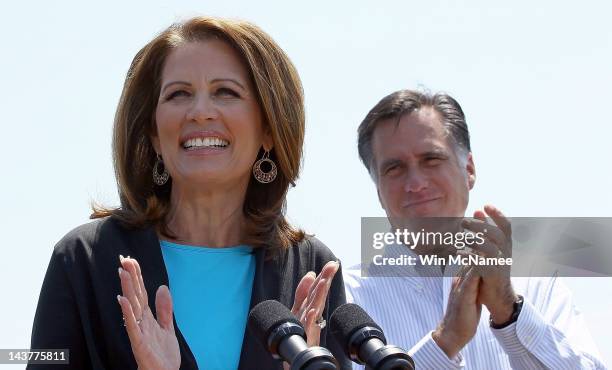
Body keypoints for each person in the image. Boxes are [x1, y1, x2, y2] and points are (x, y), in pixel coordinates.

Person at [29, 16, 351, 370]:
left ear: (269, 130)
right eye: (178, 94)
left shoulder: (312, 269)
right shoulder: (84, 259)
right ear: (153, 132)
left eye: (225, 92)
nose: (199, 112)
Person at [344, 89, 606, 369]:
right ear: (378, 191)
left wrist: (510, 312)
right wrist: (445, 342)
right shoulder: (346, 302)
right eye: (394, 168)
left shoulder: (535, 281)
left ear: (469, 169)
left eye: (431, 159)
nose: (416, 182)